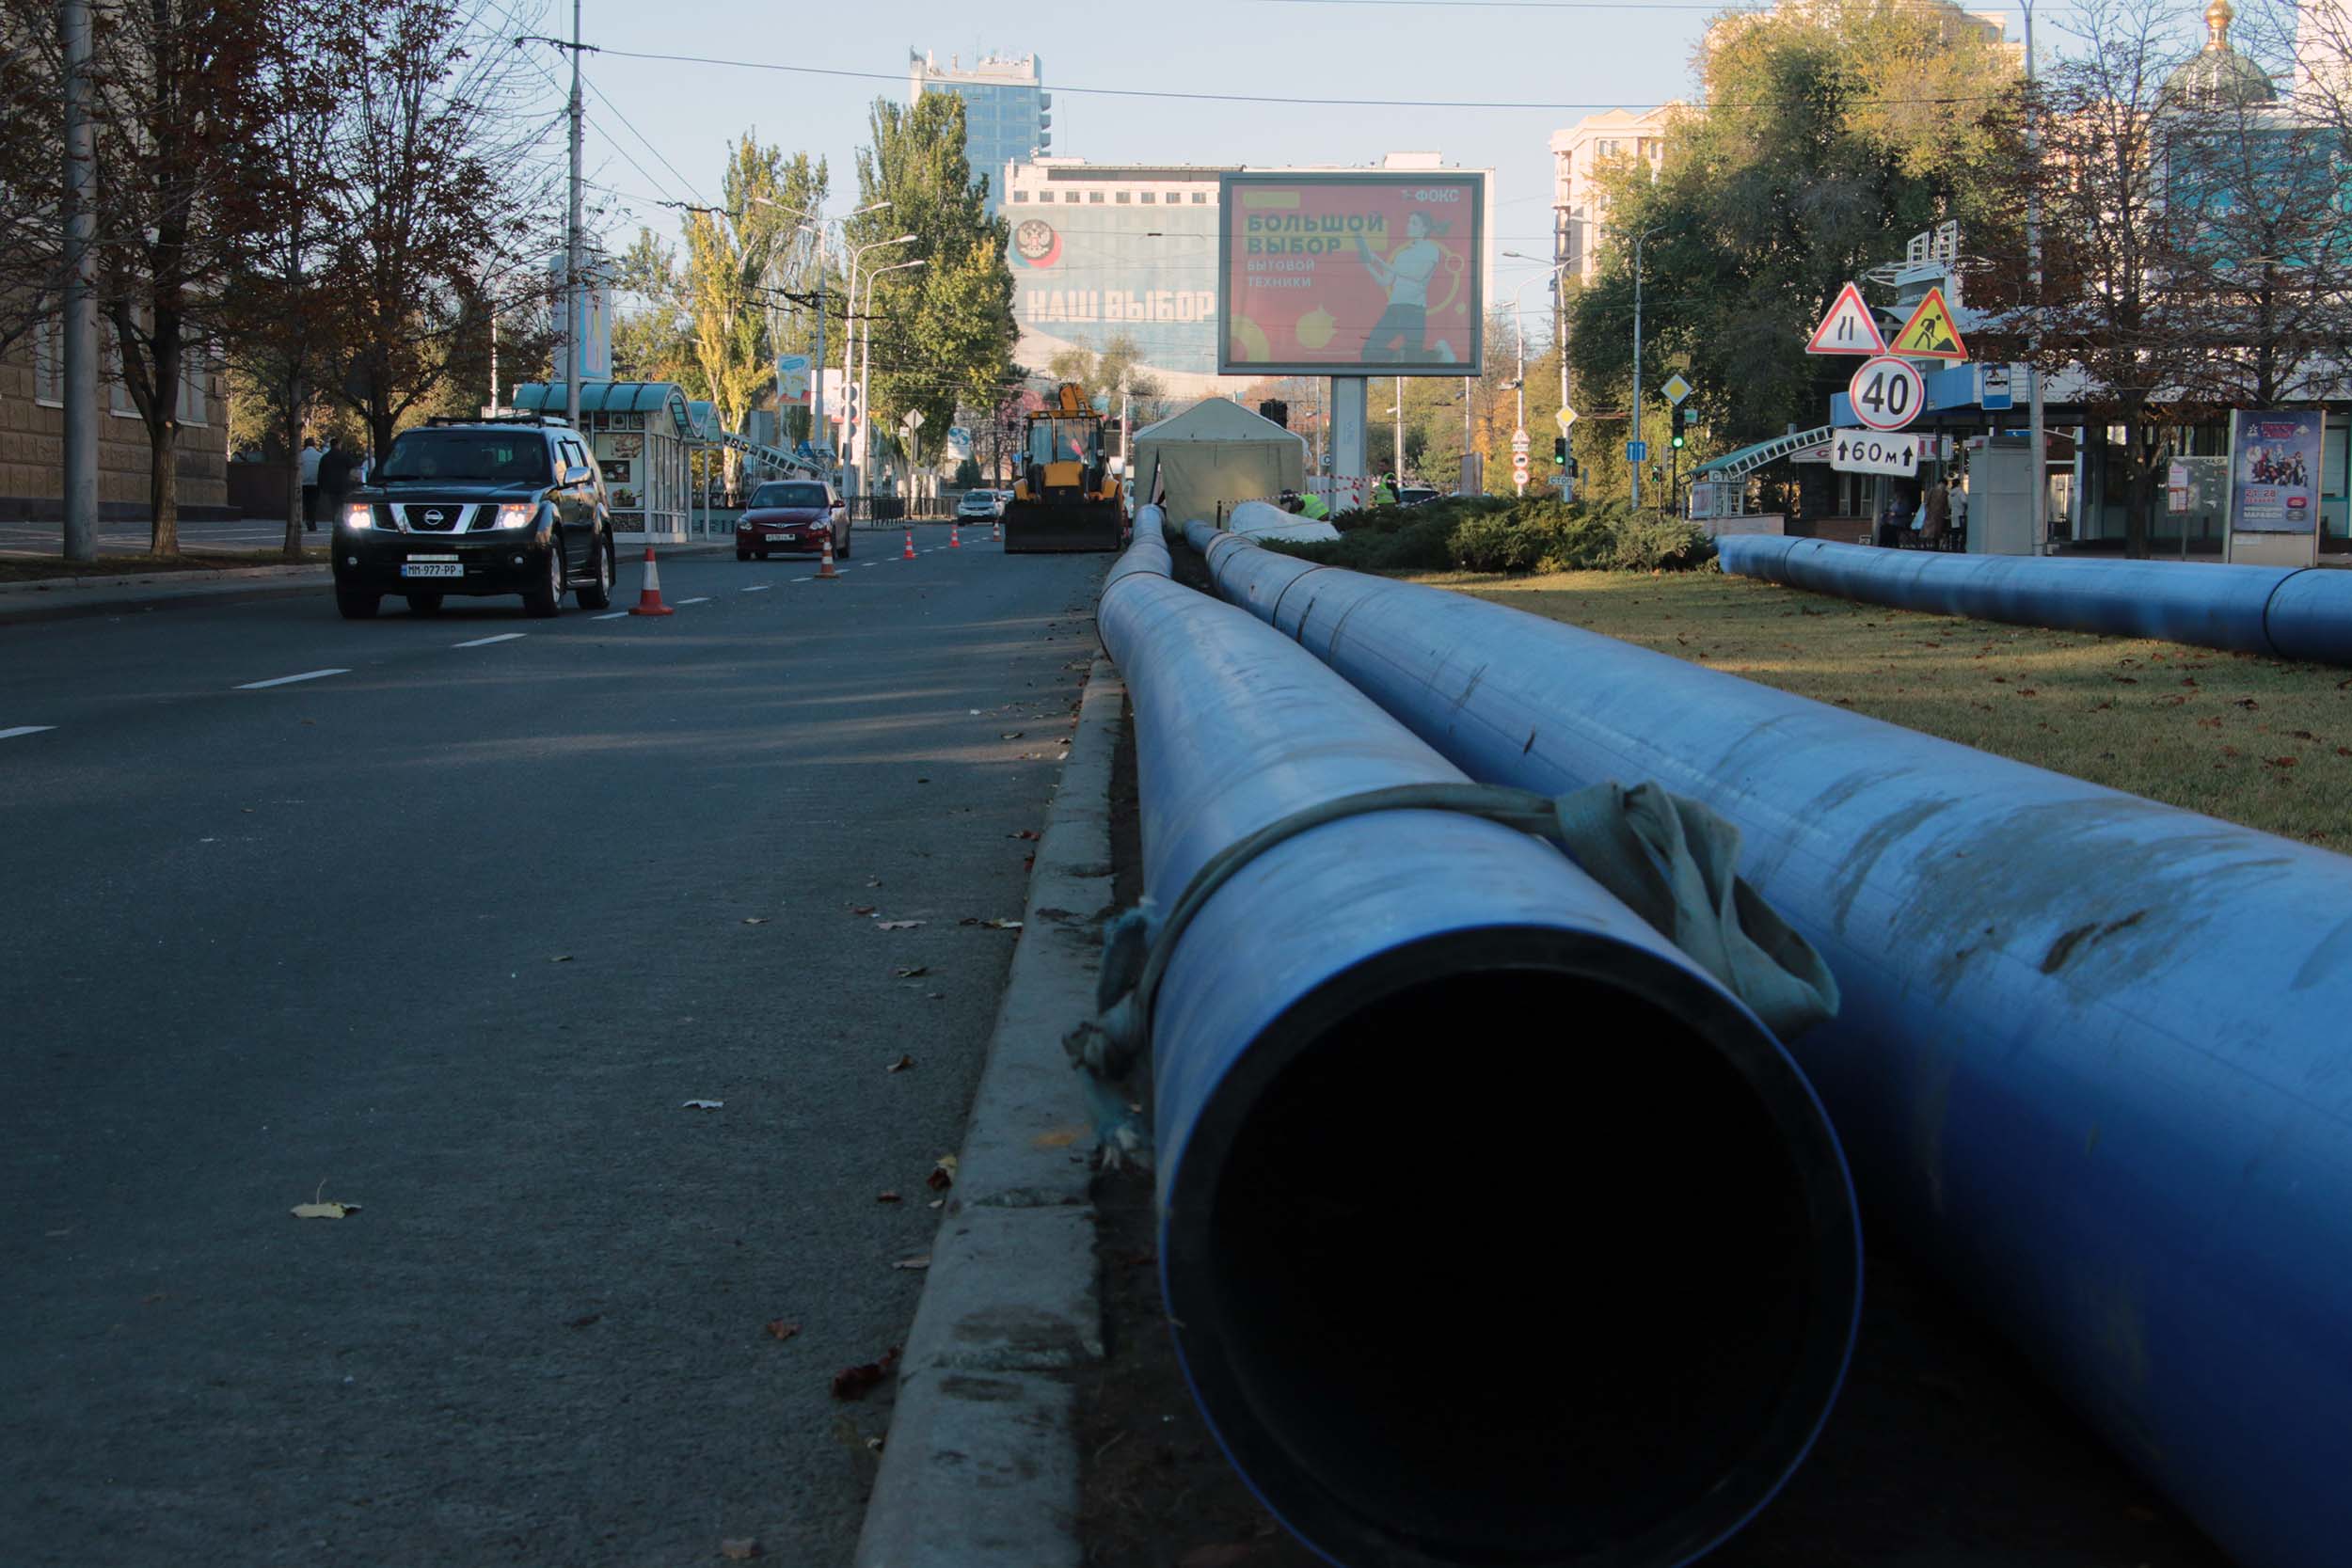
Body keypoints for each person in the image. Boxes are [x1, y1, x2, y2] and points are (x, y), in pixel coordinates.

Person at [1357, 211, 1447, 363]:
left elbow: (1418, 275)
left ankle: (1437, 354)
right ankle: (1399, 357)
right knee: (1368, 352)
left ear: (1424, 228)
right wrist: (1368, 266)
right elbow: (1385, 282)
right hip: (1394, 309)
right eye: (1409, 221)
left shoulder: (1431, 249)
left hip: (1414, 311)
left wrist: (1379, 261)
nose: (1409, 225)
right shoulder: (1402, 255)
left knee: (1414, 358)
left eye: (1414, 223)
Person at [317, 437, 355, 528]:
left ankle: (336, 521)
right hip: (343, 485)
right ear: (338, 444)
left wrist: (321, 485)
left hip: (330, 485)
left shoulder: (325, 457)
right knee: (342, 505)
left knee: (334, 505)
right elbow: (353, 467)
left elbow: (321, 473)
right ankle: (342, 522)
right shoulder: (344, 456)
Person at [299, 437, 322, 531]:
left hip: (303, 483)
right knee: (313, 503)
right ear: (314, 445)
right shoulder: (319, 456)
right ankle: (311, 521)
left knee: (305, 503)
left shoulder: (301, 455)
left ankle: (305, 519)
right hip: (315, 483)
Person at [1921, 475, 1950, 548]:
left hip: (1934, 514)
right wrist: (1946, 514)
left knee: (1931, 531)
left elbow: (1927, 502)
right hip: (1936, 514)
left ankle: (1929, 545)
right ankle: (1931, 545)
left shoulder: (1936, 491)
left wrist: (1927, 511)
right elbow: (1946, 505)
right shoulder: (1943, 492)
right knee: (1934, 531)